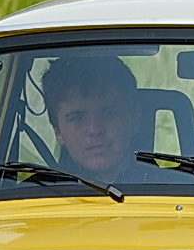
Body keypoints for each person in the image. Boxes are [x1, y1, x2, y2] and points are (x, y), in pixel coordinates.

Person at [41, 54, 149, 182]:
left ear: (134, 119)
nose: (95, 129)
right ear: (58, 131)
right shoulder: (30, 195)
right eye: (77, 118)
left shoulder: (173, 187)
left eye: (108, 113)